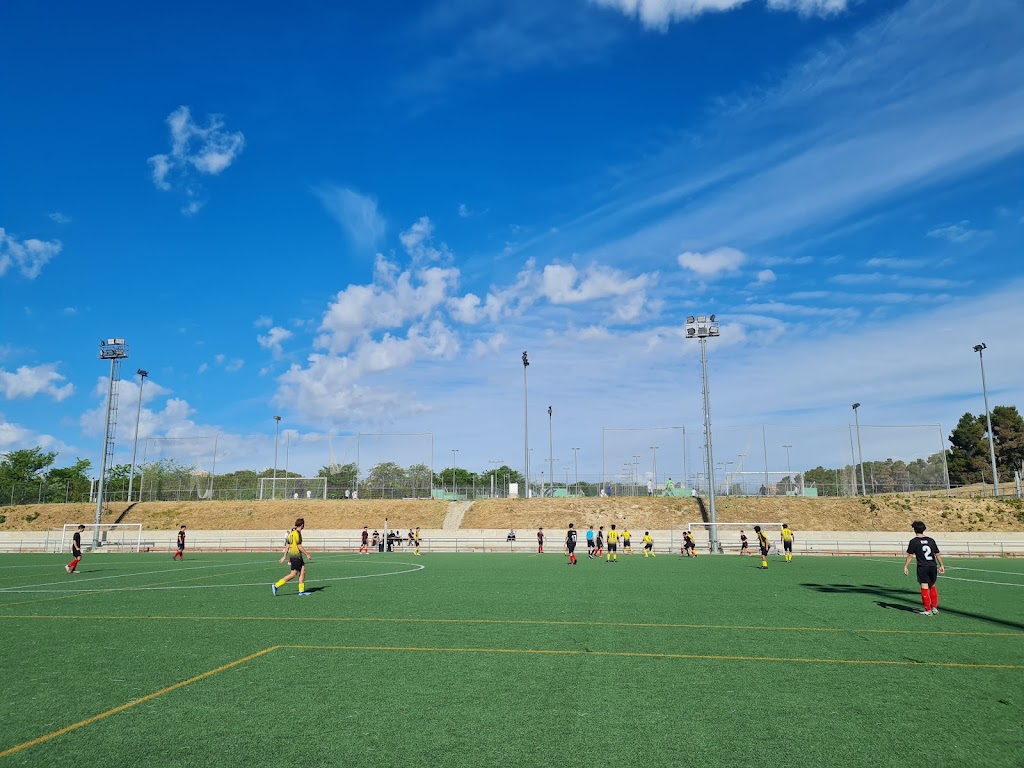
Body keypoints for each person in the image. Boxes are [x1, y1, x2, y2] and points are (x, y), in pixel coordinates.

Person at [904, 520, 945, 615]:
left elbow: (910, 555)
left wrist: (906, 566)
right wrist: (941, 565)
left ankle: (928, 610)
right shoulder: (931, 540)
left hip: (923, 566)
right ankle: (934, 608)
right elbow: (937, 554)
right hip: (933, 565)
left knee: (924, 586)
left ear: (914, 530)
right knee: (932, 585)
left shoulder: (914, 541)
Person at [273, 518, 312, 596]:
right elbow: (299, 545)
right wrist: (307, 554)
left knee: (303, 571)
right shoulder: (296, 533)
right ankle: (276, 585)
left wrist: (284, 556)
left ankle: (301, 591)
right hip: (296, 556)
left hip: (295, 556)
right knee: (293, 574)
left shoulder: (291, 533)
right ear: (302, 525)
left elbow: (287, 545)